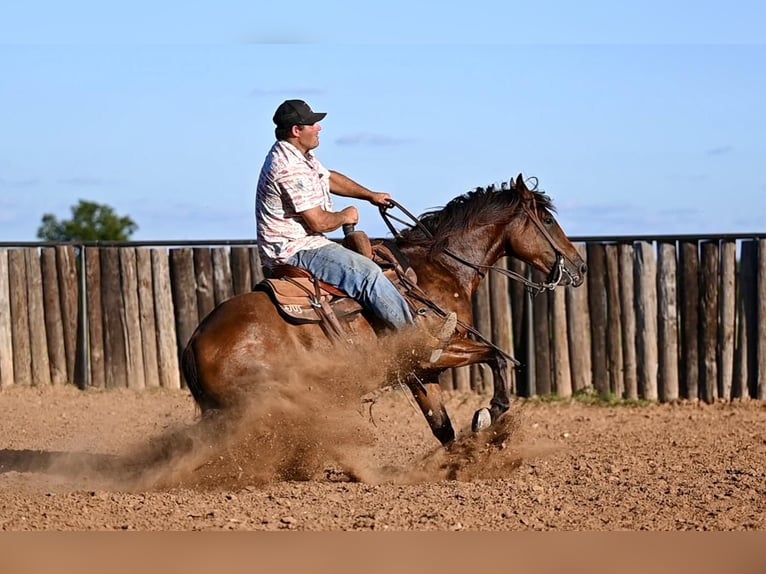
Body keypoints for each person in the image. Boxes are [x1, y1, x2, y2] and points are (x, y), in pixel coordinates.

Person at [255, 99, 456, 363]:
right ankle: (417, 340)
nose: (319, 129)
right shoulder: (287, 167)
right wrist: (345, 216)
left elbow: (329, 178)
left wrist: (369, 195)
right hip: (296, 250)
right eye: (313, 124)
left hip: (305, 244)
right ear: (296, 130)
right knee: (368, 275)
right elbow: (317, 222)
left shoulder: (300, 157)